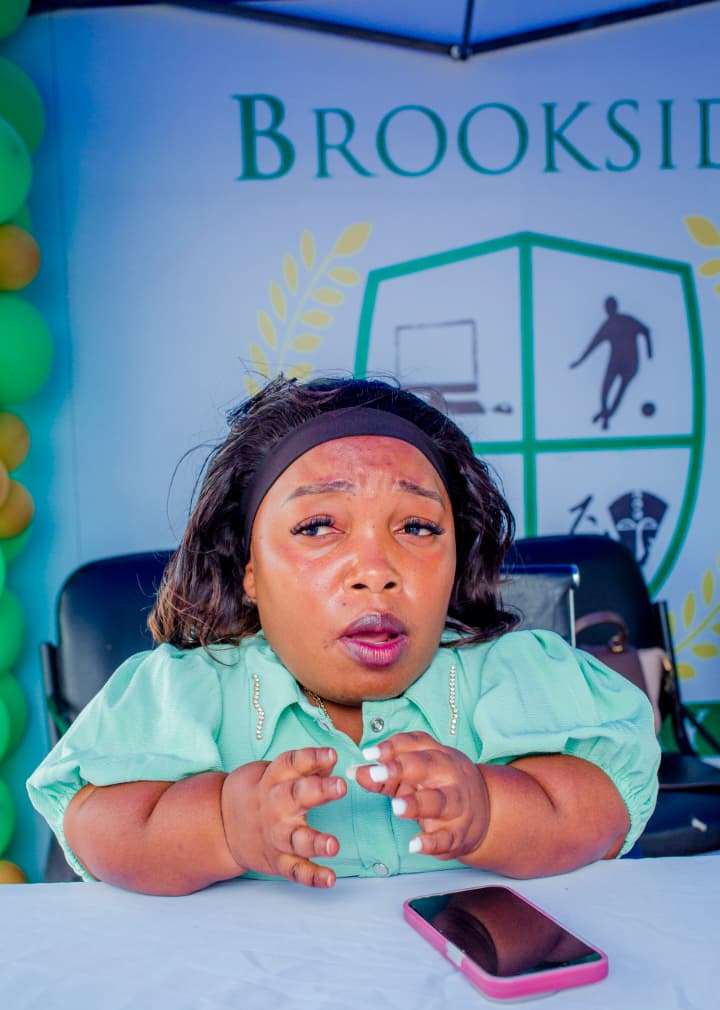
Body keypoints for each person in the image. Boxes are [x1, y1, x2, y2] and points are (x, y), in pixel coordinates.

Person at [27, 375, 659, 895]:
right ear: (249, 568)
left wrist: (494, 810)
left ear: (455, 559)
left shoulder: (516, 674)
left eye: (416, 527)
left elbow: (604, 809)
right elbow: (94, 826)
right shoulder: (184, 689)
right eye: (317, 527)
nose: (375, 571)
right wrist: (222, 824)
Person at [570, 296, 653, 431]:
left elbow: (646, 330)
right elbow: (593, 345)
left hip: (630, 363)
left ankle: (606, 417)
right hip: (615, 363)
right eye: (607, 308)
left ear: (615, 307)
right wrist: (579, 361)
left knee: (619, 392)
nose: (609, 310)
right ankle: (605, 415)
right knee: (605, 390)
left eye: (610, 307)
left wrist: (649, 351)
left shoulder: (627, 320)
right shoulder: (607, 325)